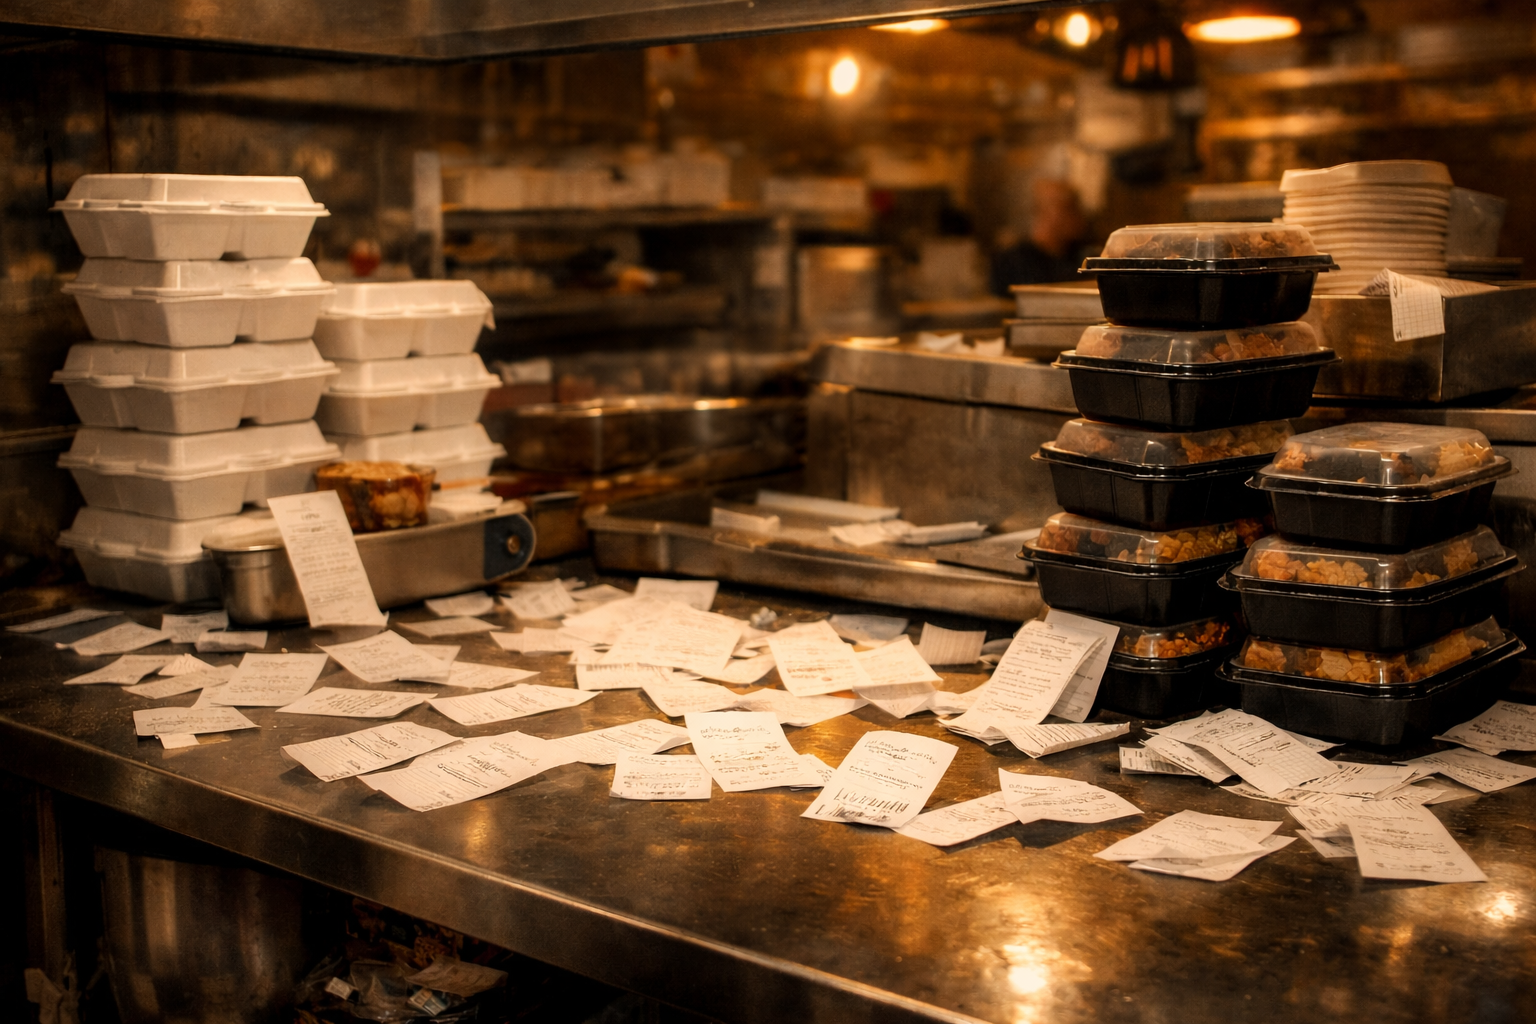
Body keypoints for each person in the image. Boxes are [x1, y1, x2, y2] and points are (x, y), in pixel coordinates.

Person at [990, 178, 1088, 295]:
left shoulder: (1080, 259)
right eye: (1068, 207)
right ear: (1044, 211)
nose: (1078, 215)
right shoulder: (1013, 262)